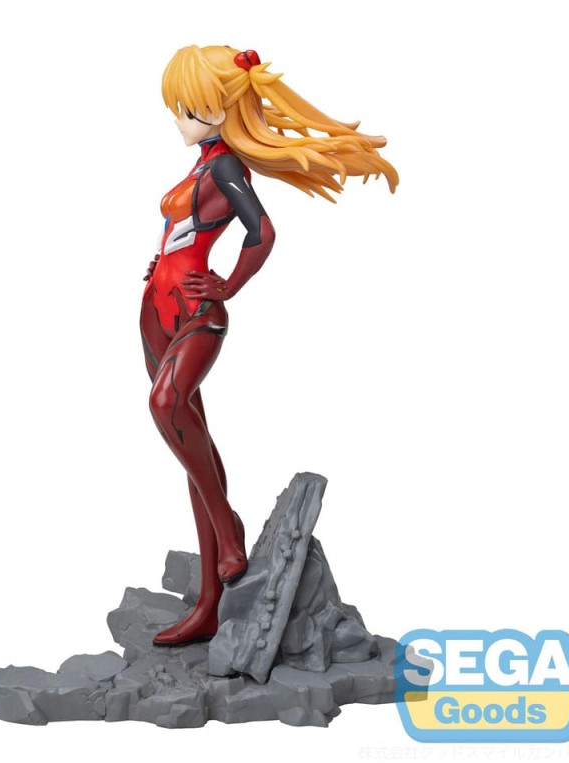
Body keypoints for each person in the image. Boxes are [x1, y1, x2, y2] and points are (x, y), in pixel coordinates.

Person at [140, 45, 398, 646]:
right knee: (190, 445)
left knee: (166, 407)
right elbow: (183, 230)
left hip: (196, 313)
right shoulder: (201, 167)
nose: (178, 118)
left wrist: (228, 283)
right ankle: (209, 605)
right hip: (155, 311)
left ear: (221, 108)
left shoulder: (226, 167)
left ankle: (228, 532)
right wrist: (162, 261)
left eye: (189, 108)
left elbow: (262, 230)